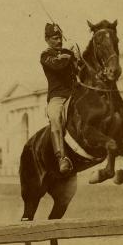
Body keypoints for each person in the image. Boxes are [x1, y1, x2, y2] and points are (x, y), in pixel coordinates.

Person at [40, 23, 79, 175]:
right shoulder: (45, 56)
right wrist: (71, 56)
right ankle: (61, 157)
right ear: (47, 39)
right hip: (57, 97)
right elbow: (58, 66)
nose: (59, 41)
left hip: (74, 94)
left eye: (60, 38)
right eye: (55, 38)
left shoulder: (66, 54)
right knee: (55, 118)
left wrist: (78, 58)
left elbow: (79, 70)